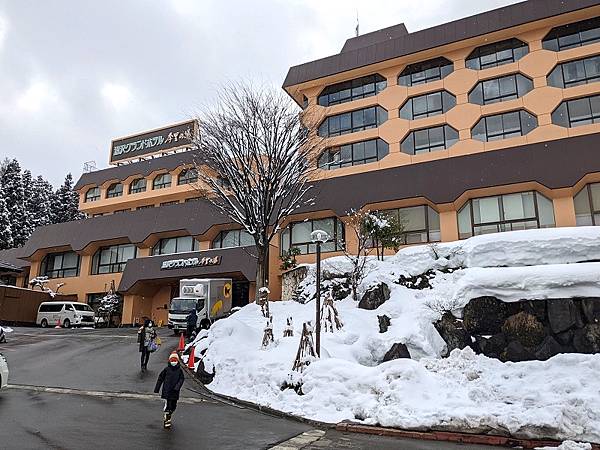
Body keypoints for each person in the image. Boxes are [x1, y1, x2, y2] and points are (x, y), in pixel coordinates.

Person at [154, 352, 185, 429]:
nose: (173, 362)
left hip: (175, 392)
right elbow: (160, 378)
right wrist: (157, 388)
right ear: (169, 361)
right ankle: (167, 421)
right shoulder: (166, 369)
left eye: (175, 360)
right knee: (169, 405)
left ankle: (169, 413)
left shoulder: (180, 371)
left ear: (177, 361)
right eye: (172, 360)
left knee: (173, 406)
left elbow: (181, 379)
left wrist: (177, 387)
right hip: (167, 391)